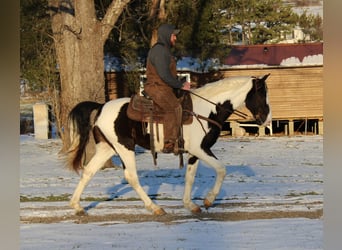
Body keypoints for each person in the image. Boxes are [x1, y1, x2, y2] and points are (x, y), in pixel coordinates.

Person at [144, 23, 191, 154]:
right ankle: (169, 142)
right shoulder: (160, 51)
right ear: (166, 35)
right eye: (173, 35)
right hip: (157, 87)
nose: (175, 38)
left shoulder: (164, 50)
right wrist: (181, 85)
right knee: (174, 108)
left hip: (163, 87)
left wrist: (177, 82)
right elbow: (164, 75)